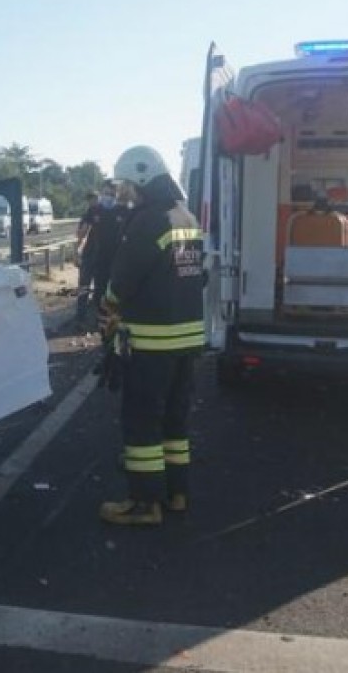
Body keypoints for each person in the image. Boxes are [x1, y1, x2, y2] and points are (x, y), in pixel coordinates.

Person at [97, 145, 205, 526]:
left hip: (151, 342)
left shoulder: (149, 221)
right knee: (174, 423)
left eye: (125, 185)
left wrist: (107, 307)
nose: (122, 193)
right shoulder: (186, 218)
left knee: (141, 421)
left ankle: (144, 504)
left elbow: (122, 281)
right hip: (185, 341)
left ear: (142, 178)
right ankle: (176, 493)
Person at [75, 184, 128, 325]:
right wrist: (78, 248)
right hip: (94, 256)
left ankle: (107, 320)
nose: (108, 197)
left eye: (111, 194)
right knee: (90, 288)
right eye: (105, 193)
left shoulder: (124, 211)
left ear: (116, 196)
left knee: (108, 290)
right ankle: (86, 318)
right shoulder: (94, 210)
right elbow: (83, 231)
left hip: (113, 259)